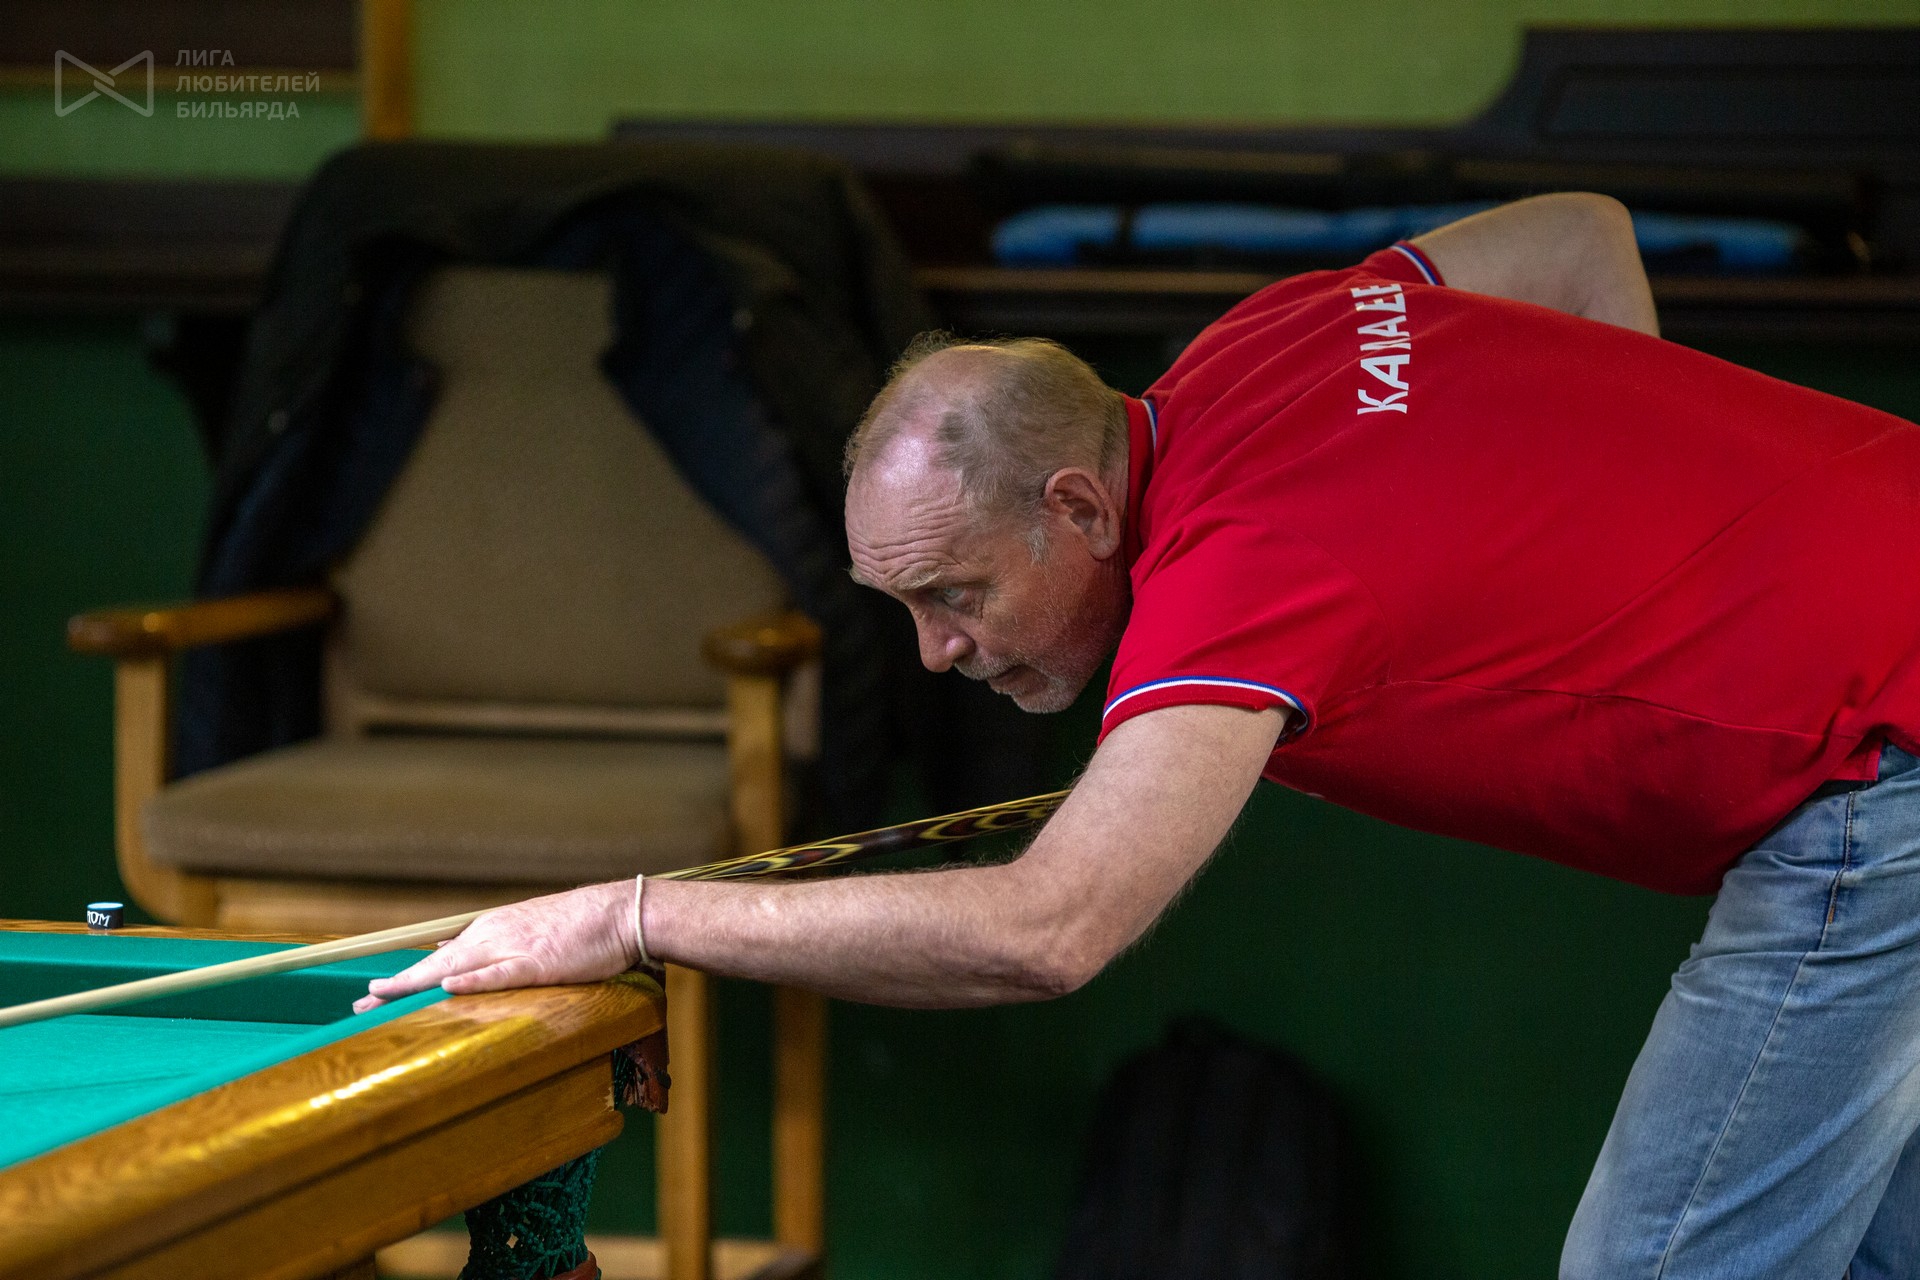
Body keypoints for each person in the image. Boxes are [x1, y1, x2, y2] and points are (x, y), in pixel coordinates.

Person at [359, 193, 1920, 1279]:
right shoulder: (1265, 344)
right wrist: (1648, 517)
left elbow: (1048, 931)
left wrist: (633, 916)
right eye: (907, 610)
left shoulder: (1228, 585)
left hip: (1876, 757)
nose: (940, 653)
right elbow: (1581, 237)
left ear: (1082, 508)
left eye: (957, 594)